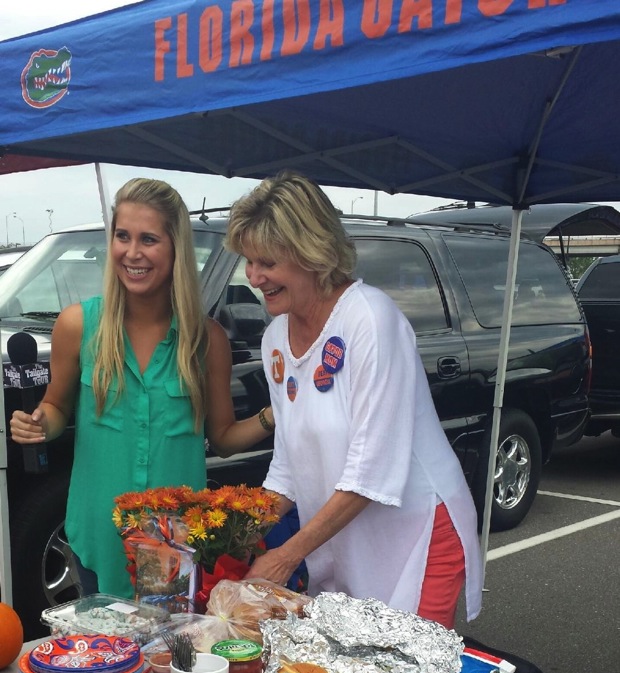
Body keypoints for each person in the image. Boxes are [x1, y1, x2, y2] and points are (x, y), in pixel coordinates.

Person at [225, 171, 483, 628]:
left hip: (416, 537)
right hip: (344, 538)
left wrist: (286, 556)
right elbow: (286, 466)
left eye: (266, 261)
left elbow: (372, 472)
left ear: (311, 253)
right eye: (248, 261)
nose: (254, 276)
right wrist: (231, 533)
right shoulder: (275, 339)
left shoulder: (370, 319)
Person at [10, 177, 275, 599]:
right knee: (106, 663)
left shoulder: (206, 340)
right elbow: (57, 408)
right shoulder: (77, 325)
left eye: (148, 239)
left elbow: (223, 439)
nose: (132, 253)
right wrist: (40, 423)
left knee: (167, 663)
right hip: (97, 541)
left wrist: (275, 413)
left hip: (177, 549)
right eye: (122, 236)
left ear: (174, 249)